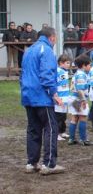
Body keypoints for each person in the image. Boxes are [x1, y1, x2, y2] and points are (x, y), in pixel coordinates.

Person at [20, 26, 65, 174]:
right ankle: (49, 164)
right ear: (51, 37)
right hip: (42, 97)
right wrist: (54, 94)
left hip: (28, 95)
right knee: (51, 128)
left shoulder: (29, 50)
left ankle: (32, 163)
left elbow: (23, 74)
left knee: (33, 129)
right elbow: (47, 74)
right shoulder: (46, 51)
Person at [67, 54, 93, 146]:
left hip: (72, 97)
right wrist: (83, 100)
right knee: (83, 117)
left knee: (74, 118)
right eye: (89, 65)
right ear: (83, 65)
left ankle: (71, 138)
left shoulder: (77, 73)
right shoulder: (82, 75)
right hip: (78, 98)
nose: (90, 67)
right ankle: (83, 139)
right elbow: (80, 89)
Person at [55, 54, 72, 141]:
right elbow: (55, 85)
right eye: (67, 63)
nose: (69, 65)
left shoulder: (65, 72)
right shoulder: (58, 71)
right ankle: (56, 134)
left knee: (63, 116)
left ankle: (62, 131)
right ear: (61, 63)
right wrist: (56, 97)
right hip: (59, 98)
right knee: (58, 117)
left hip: (65, 98)